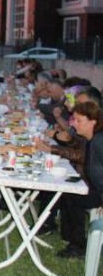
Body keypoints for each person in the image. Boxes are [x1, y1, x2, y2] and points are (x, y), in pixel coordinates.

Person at [57, 102, 103, 258]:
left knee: (75, 198)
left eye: (79, 120)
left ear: (93, 121)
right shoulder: (91, 140)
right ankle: (70, 238)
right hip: (96, 188)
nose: (73, 124)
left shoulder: (99, 141)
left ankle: (78, 246)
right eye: (73, 120)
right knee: (68, 191)